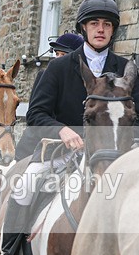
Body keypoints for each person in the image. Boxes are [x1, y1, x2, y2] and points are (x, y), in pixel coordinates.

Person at [0, 0, 139, 255]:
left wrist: (112, 139)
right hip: (60, 153)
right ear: (84, 28)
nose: (101, 29)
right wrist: (63, 130)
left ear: (113, 31)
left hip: (111, 156)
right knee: (25, 184)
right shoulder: (59, 69)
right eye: (94, 23)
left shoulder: (126, 69)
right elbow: (36, 113)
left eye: (107, 25)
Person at [15, 33, 86, 161]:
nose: (58, 58)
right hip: (36, 146)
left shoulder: (85, 80)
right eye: (57, 54)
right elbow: (35, 114)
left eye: (63, 55)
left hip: (75, 148)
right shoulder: (44, 74)